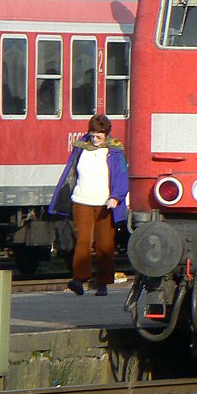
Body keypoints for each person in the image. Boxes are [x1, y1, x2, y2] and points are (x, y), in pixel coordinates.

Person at [48, 114, 129, 296]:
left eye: (100, 133)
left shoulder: (114, 151)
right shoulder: (81, 148)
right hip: (81, 200)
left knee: (105, 244)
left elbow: (122, 176)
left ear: (106, 133)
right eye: (93, 132)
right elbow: (71, 171)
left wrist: (117, 196)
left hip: (105, 204)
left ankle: (103, 282)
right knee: (83, 241)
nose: (96, 136)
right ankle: (79, 279)